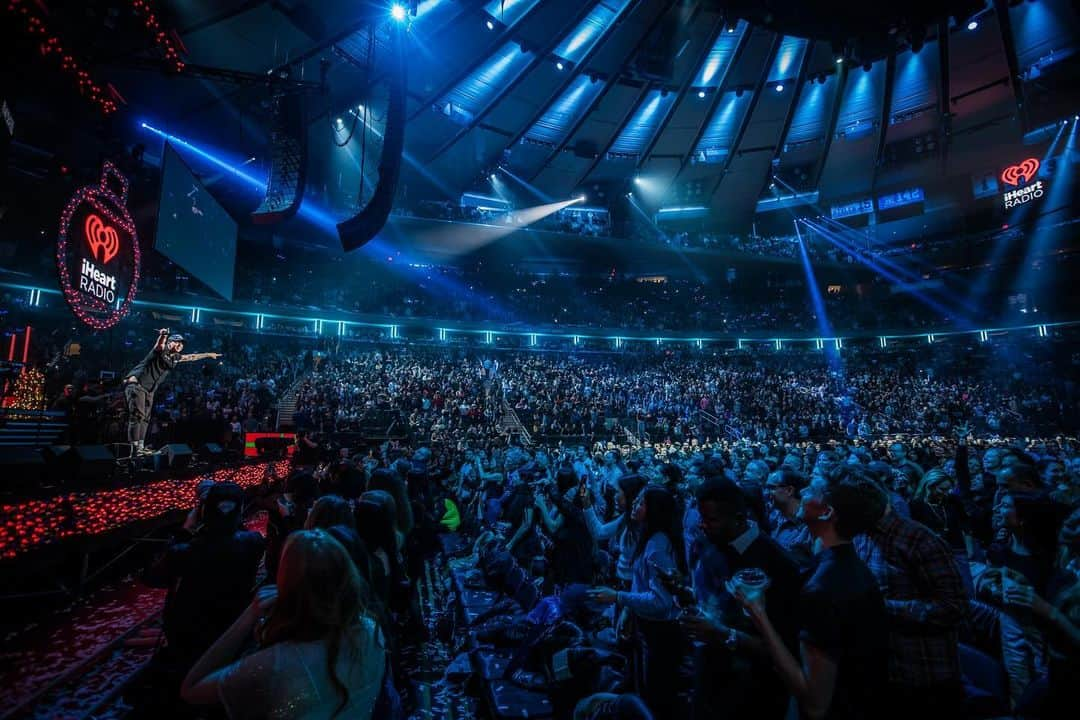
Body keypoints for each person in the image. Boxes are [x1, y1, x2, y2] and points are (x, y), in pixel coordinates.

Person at [181, 530, 386, 719]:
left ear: (285, 584)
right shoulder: (371, 629)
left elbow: (191, 689)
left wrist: (248, 616)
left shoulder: (276, 663)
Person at [735, 467, 888, 720]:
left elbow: (815, 703)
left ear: (827, 512)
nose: (803, 492)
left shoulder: (823, 588)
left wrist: (757, 612)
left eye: (811, 491)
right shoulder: (847, 564)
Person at [683, 477, 802, 720]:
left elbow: (784, 648)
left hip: (754, 694)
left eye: (711, 520)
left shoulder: (777, 563)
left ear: (738, 518)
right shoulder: (707, 544)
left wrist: (725, 635)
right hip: (709, 679)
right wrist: (683, 592)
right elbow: (709, 599)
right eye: (702, 518)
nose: (703, 526)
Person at [854, 469, 969, 719]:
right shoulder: (861, 535)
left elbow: (955, 607)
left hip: (925, 674)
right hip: (886, 671)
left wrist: (881, 606)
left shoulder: (917, 539)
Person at [142, 481, 264, 698]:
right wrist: (230, 519)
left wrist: (185, 530)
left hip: (188, 636)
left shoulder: (182, 552)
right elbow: (233, 534)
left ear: (203, 512)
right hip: (231, 629)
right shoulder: (253, 542)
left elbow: (151, 576)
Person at [589, 487, 686, 720]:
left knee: (656, 699)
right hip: (649, 628)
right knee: (645, 690)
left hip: (661, 634)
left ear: (653, 511)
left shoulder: (657, 546)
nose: (634, 506)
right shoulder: (649, 538)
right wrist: (628, 611)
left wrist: (618, 597)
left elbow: (660, 602)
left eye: (640, 503)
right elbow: (640, 584)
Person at [123, 329, 221, 454]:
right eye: (177, 342)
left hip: (150, 389)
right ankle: (134, 448)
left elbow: (191, 357)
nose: (180, 345)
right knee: (138, 416)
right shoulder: (161, 350)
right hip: (137, 384)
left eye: (182, 344)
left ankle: (140, 447)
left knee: (146, 418)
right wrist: (163, 335)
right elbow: (159, 344)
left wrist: (207, 354)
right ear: (170, 343)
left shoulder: (175, 357)